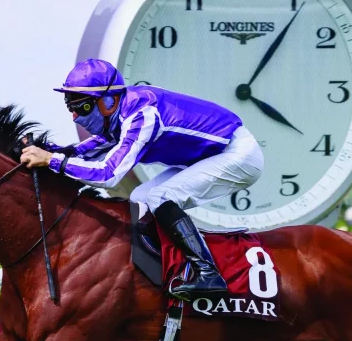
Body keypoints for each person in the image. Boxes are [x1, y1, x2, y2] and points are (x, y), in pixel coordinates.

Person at [19, 58, 263, 301]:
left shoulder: (142, 114)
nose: (75, 117)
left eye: (82, 108)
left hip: (237, 154)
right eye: (70, 107)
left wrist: (51, 160)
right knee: (140, 198)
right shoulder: (119, 115)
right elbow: (85, 150)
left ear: (108, 102)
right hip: (209, 155)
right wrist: (45, 150)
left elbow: (108, 174)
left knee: (160, 197)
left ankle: (208, 274)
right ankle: (163, 269)